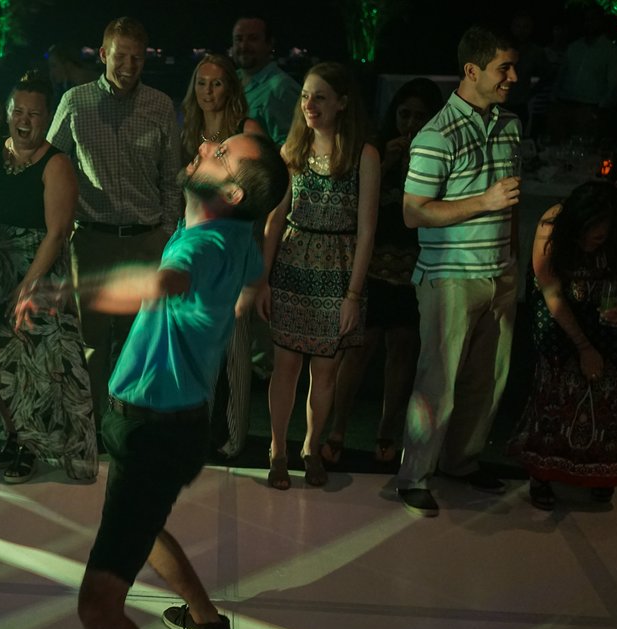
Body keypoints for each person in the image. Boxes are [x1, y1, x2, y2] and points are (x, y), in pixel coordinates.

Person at [59, 132, 284, 629]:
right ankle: (208, 619)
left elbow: (160, 281)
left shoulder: (202, 244)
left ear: (234, 193)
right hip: (179, 422)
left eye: (221, 154)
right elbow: (245, 280)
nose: (208, 145)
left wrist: (59, 293)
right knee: (143, 523)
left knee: (98, 606)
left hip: (154, 426)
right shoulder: (239, 238)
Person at [0, 71, 96, 484]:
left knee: (38, 365)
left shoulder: (56, 164)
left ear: (47, 118)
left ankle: (32, 447)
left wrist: (29, 285)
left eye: (34, 113)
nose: (25, 120)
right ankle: (14, 435)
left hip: (37, 272)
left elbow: (58, 232)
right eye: (18, 111)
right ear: (7, 113)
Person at [394, 27, 521, 518]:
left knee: (486, 380)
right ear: (473, 71)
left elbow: (511, 207)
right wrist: (483, 202)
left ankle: (462, 462)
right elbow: (413, 212)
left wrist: (511, 260)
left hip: (499, 273)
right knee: (438, 383)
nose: (513, 76)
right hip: (449, 276)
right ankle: (414, 475)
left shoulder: (510, 124)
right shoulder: (437, 133)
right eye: (503, 68)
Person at [47, 16, 181, 432]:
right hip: (91, 241)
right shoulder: (75, 101)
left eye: (137, 58)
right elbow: (51, 166)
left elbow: (172, 179)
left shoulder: (160, 105)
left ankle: (131, 421)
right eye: (120, 55)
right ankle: (93, 424)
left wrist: (166, 234)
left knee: (142, 340)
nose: (129, 65)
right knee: (92, 343)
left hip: (146, 242)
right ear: (104, 54)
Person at [260, 62, 379, 490]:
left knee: (325, 371)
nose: (309, 104)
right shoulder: (293, 149)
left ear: (343, 103)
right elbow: (275, 220)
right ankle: (277, 449)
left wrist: (352, 293)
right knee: (285, 366)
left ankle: (311, 447)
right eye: (306, 95)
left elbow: (367, 230)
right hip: (293, 267)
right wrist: (263, 279)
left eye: (321, 96)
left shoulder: (363, 154)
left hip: (338, 268)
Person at [507, 181, 617, 509]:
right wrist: (584, 348)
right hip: (560, 307)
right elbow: (551, 291)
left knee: (609, 386)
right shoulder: (551, 224)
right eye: (582, 235)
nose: (588, 243)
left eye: (598, 237)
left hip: (607, 310)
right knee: (557, 381)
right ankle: (542, 473)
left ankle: (599, 474)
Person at [321, 77, 441, 469]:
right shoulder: (374, 149)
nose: (411, 123)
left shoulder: (439, 153)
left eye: (420, 116)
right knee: (359, 347)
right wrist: (388, 162)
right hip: (374, 262)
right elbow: (355, 201)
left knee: (403, 348)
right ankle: (337, 428)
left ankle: (387, 431)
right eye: (405, 114)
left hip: (413, 263)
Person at [180, 53, 265, 458]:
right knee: (200, 348)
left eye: (216, 83)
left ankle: (234, 439)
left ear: (230, 87)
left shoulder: (247, 130)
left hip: (233, 249)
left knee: (234, 351)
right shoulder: (189, 131)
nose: (208, 91)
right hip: (195, 249)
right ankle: (201, 432)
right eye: (201, 82)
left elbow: (266, 193)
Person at [548, 3, 617, 142]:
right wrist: (554, 102)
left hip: (589, 109)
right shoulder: (574, 47)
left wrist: (598, 110)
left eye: (594, 19)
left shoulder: (611, 51)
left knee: (584, 153)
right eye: (587, 19)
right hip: (564, 106)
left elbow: (615, 86)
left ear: (601, 21)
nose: (590, 23)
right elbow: (561, 76)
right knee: (558, 151)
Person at [230, 15, 300, 145]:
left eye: (253, 39)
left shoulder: (281, 88)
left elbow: (292, 146)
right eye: (238, 39)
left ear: (269, 44)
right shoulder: (230, 80)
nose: (244, 46)